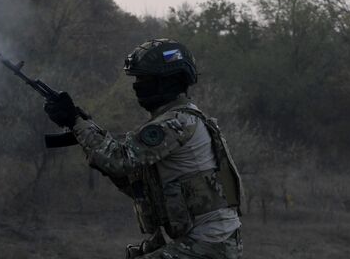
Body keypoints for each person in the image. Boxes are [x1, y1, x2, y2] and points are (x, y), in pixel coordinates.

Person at [44, 38, 244, 259]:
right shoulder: (178, 120)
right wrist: (84, 131)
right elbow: (136, 184)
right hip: (199, 240)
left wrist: (76, 122)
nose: (138, 85)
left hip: (208, 243)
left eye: (145, 79)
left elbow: (119, 161)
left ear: (168, 81)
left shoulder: (177, 123)